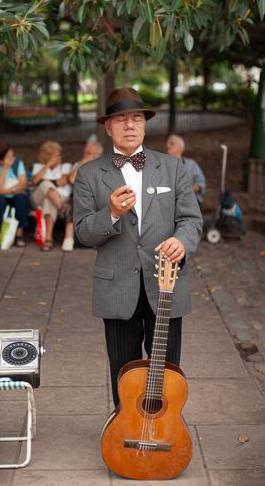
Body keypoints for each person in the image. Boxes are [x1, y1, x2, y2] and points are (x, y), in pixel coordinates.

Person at [73, 87, 203, 407]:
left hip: (166, 283)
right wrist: (112, 213)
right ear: (108, 127)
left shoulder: (173, 167)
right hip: (116, 287)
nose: (129, 125)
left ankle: (164, 430)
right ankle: (125, 433)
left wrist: (181, 242)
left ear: (144, 125)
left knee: (168, 372)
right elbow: (83, 233)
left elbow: (191, 220)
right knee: (123, 371)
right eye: (120, 119)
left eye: (136, 118)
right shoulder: (89, 174)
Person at [30, 141, 75, 252]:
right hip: (37, 199)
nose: (58, 157)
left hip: (61, 197)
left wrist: (49, 181)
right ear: (47, 156)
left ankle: (48, 239)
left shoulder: (65, 166)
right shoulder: (38, 167)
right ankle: (62, 209)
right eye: (55, 155)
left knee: (48, 200)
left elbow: (64, 180)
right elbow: (35, 181)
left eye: (59, 154)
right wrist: (47, 165)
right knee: (45, 184)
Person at [0, 143, 30, 249]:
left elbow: (23, 184)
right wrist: (5, 169)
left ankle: (19, 232)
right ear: (0, 160)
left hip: (15, 194)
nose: (12, 158)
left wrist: (8, 190)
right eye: (9, 157)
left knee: (22, 198)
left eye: (12, 155)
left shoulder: (18, 162)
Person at [166, 134, 206, 206]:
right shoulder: (162, 164)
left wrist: (185, 192)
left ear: (180, 148)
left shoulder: (191, 164)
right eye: (168, 143)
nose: (168, 146)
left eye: (172, 143)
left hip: (189, 202)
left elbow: (200, 183)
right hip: (168, 203)